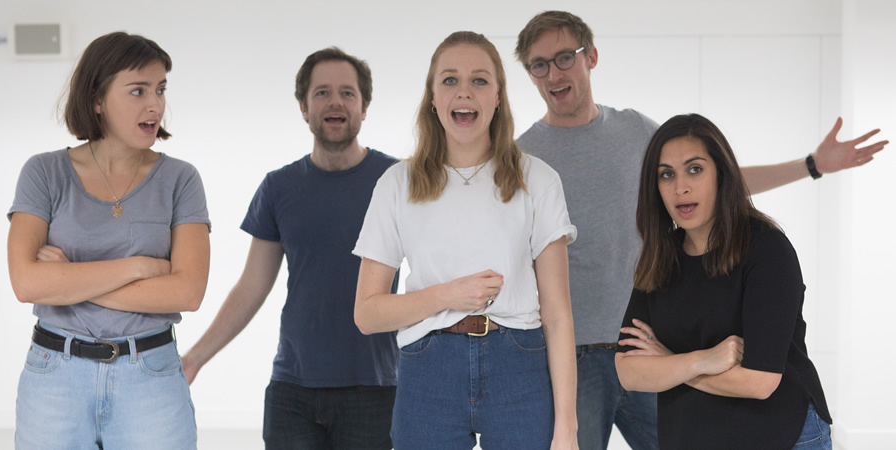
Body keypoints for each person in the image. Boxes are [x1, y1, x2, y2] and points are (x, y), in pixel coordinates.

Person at [513, 10, 887, 450]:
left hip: (658, 341)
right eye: (539, 64)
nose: (553, 73)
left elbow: (714, 183)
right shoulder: (521, 157)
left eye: (564, 57)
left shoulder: (635, 132)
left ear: (591, 56)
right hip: (577, 352)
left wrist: (810, 166)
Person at [353, 31, 578, 449]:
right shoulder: (396, 184)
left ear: (498, 96)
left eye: (479, 80)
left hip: (519, 364)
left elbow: (559, 315)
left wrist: (567, 428)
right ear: (433, 97)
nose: (464, 92)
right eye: (450, 80)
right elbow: (367, 314)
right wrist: (448, 294)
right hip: (428, 368)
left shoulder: (539, 180)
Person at [180, 47, 399, 450]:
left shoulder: (396, 180)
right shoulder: (279, 187)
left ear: (364, 107)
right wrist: (195, 358)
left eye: (348, 93)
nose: (335, 101)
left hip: (374, 388)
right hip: (292, 392)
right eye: (322, 93)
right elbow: (252, 286)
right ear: (303, 106)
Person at [7, 32, 210, 449]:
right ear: (97, 98)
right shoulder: (43, 173)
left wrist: (67, 281)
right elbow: (27, 284)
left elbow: (188, 292)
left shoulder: (180, 179)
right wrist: (138, 267)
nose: (155, 104)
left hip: (151, 376)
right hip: (55, 379)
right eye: (138, 90)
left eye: (160, 89)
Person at [614, 113, 832, 450]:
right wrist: (702, 360)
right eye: (666, 175)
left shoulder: (767, 250)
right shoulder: (660, 256)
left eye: (695, 169)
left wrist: (667, 362)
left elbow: (760, 382)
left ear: (722, 175)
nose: (680, 186)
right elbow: (629, 371)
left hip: (780, 436)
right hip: (692, 437)